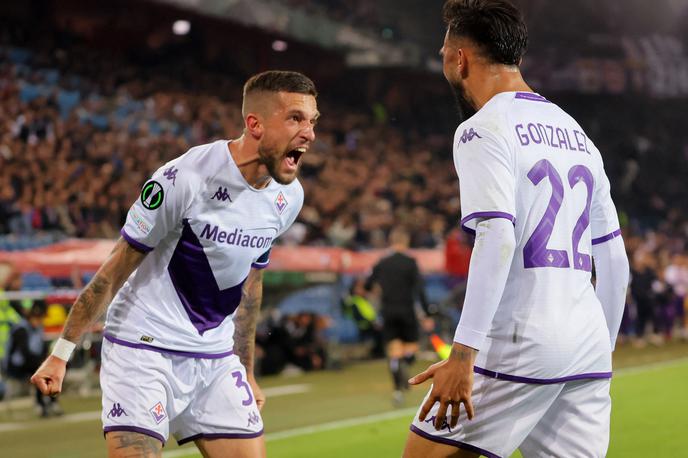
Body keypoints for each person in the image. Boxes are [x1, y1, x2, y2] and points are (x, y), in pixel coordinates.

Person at [31, 70, 319, 458]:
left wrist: (247, 371)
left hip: (214, 357)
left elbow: (250, 286)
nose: (309, 134)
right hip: (143, 347)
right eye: (296, 119)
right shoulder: (186, 177)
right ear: (254, 124)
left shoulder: (288, 198)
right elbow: (114, 270)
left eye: (312, 122)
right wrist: (61, 352)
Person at [404, 1, 630, 457]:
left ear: (460, 58)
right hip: (585, 344)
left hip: (520, 342)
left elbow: (498, 237)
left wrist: (462, 354)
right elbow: (613, 256)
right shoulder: (578, 134)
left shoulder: (482, 129)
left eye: (444, 50)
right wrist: (599, 350)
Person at [365, 228, 434, 405]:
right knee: (411, 348)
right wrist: (426, 313)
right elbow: (419, 290)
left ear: (391, 241)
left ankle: (397, 390)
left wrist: (378, 290)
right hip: (407, 311)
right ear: (406, 242)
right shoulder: (411, 263)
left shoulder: (382, 262)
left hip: (388, 311)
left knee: (393, 351)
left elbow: (367, 284)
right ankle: (406, 362)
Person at [4, 301, 62, 416]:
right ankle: (41, 405)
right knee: (41, 371)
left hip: (31, 363)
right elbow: (24, 353)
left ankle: (52, 402)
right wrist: (43, 363)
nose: (39, 320)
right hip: (16, 366)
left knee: (54, 367)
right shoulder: (21, 329)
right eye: (37, 317)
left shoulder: (39, 328)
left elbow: (42, 348)